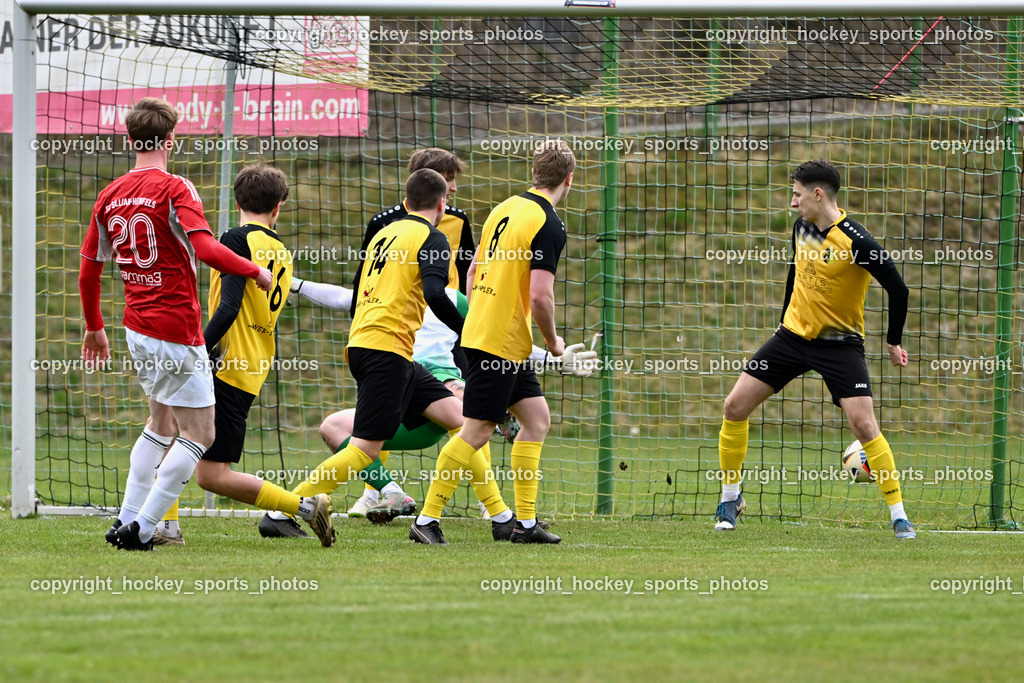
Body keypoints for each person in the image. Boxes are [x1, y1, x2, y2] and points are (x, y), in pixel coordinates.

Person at [78, 97, 282, 551]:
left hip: (135, 326)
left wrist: (95, 326)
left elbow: (89, 269)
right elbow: (207, 250)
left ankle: (126, 519)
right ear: (172, 139)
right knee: (201, 433)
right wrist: (254, 270)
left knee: (161, 422)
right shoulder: (176, 187)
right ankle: (145, 528)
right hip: (174, 325)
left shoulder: (109, 194)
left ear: (130, 140)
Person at [260, 277, 595, 533]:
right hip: (400, 391)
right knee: (333, 427)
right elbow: (340, 297)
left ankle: (496, 509)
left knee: (464, 413)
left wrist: (554, 359)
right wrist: (296, 284)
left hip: (434, 388)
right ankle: (387, 493)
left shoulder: (450, 298)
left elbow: (497, 337)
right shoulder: (382, 292)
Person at [274, 168, 489, 548]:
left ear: (406, 203)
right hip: (385, 351)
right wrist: (471, 337)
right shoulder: (432, 236)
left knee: (463, 417)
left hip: (373, 346)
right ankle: (285, 510)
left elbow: (357, 295)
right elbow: (438, 296)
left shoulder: (384, 234)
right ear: (443, 204)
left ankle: (503, 516)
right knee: (365, 449)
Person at [713, 160, 914, 539]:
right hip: (790, 338)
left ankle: (899, 516)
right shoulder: (801, 227)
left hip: (840, 345)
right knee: (734, 406)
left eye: (797, 194)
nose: (793, 203)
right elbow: (796, 271)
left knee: (864, 425)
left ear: (817, 194)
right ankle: (730, 500)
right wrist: (783, 317)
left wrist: (893, 342)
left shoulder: (857, 240)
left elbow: (898, 289)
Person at [151, 163, 334, 546]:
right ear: (278, 208)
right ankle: (166, 526)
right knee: (185, 446)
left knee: (203, 465)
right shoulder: (281, 251)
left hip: (225, 361)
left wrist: (196, 348)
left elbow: (230, 306)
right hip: (252, 364)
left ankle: (302, 507)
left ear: (236, 200)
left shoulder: (235, 239)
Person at [411, 139, 577, 545]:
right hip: (498, 340)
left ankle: (524, 523)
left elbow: (471, 274)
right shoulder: (548, 222)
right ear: (569, 180)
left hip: (497, 334)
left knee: (536, 419)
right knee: (477, 430)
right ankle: (427, 520)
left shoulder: (505, 208)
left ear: (533, 173)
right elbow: (541, 295)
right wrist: (555, 344)